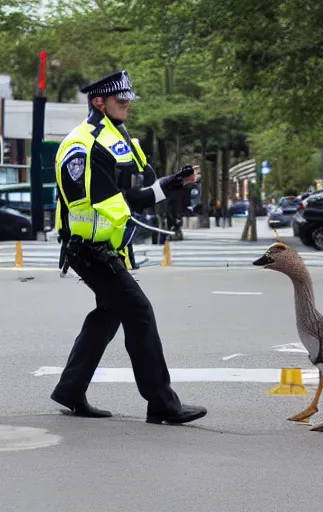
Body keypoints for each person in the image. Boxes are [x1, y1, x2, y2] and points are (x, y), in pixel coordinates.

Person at [52, 70, 207, 425]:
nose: (127, 105)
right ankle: (162, 404)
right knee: (139, 312)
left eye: (128, 100)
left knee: (108, 316)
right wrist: (167, 187)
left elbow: (135, 193)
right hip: (89, 249)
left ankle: (70, 390)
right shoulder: (85, 145)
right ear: (98, 102)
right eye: (121, 101)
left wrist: (171, 183)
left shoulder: (111, 137)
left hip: (101, 248)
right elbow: (119, 201)